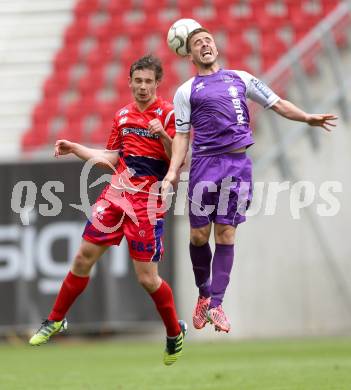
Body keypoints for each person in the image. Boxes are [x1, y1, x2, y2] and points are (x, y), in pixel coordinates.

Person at [161, 28, 337, 333]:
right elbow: (182, 135)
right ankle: (203, 293)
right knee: (199, 236)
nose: (205, 45)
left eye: (208, 40)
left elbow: (277, 102)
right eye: (197, 44)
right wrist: (173, 171)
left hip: (238, 164)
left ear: (215, 46)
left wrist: (307, 117)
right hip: (205, 164)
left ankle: (216, 305)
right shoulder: (186, 91)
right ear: (189, 55)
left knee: (227, 234)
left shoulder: (241, 78)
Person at [29, 55, 187, 366]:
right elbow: (110, 159)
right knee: (82, 257)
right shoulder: (123, 116)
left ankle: (173, 332)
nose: (142, 86)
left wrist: (163, 136)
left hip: (148, 203)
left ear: (158, 83)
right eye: (137, 81)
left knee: (147, 279)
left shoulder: (169, 114)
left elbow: (179, 162)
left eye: (148, 81)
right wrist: (75, 147)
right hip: (115, 195)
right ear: (129, 82)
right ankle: (56, 319)